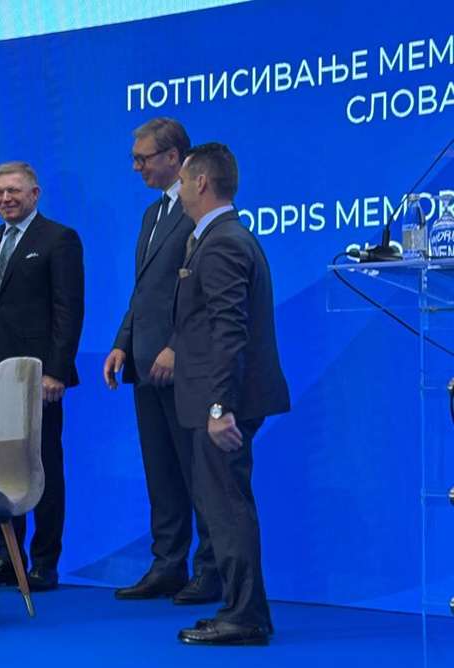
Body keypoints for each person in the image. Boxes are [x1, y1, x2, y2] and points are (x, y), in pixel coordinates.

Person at [171, 143, 290, 646]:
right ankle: (241, 608)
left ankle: (245, 616)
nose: (178, 190)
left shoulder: (222, 243)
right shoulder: (222, 237)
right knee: (222, 502)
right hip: (217, 397)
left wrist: (220, 407)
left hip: (223, 402)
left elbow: (229, 331)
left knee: (226, 505)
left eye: (182, 180)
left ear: (200, 182)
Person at [106, 118, 219, 605]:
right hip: (145, 364)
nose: (137, 167)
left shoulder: (197, 211)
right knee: (161, 472)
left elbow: (198, 292)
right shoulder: (153, 214)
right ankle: (168, 563)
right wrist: (122, 342)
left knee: (198, 473)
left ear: (174, 157)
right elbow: (145, 291)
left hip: (183, 365)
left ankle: (211, 569)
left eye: (143, 158)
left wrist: (177, 344)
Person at [0, 161, 84, 592]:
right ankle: (8, 555)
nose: (6, 199)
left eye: (14, 191)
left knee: (43, 465)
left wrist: (57, 369)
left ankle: (44, 562)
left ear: (34, 194)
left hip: (39, 377)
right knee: (0, 465)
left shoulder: (59, 239)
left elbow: (68, 310)